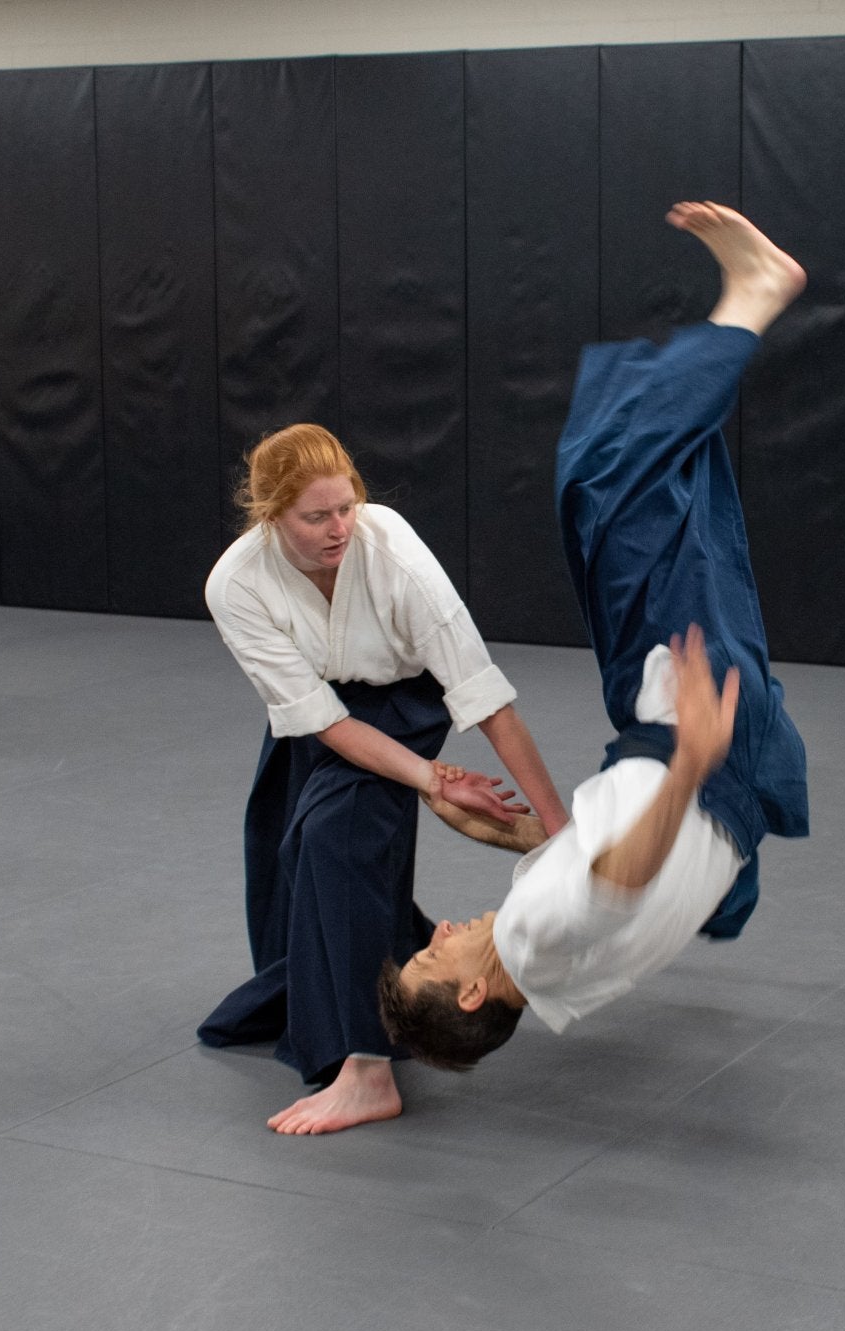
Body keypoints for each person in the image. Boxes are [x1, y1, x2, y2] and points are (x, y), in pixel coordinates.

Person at [378, 202, 809, 1067]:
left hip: (734, 765)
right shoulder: (536, 934)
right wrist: (690, 758)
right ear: (469, 992)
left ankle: (745, 307)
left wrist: (506, 831)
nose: (445, 928)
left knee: (657, 496)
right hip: (690, 724)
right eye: (437, 950)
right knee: (607, 480)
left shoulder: (559, 984)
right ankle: (758, 295)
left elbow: (599, 879)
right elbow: (622, 877)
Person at [198, 423, 569, 1133]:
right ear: (273, 516)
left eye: (348, 506)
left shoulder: (389, 547)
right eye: (317, 516)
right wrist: (431, 780)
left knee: (339, 836)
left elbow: (486, 701)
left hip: (403, 697)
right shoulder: (235, 583)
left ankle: (365, 1062)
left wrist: (560, 832)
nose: (341, 527)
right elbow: (323, 721)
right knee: (285, 851)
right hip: (324, 716)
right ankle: (387, 979)